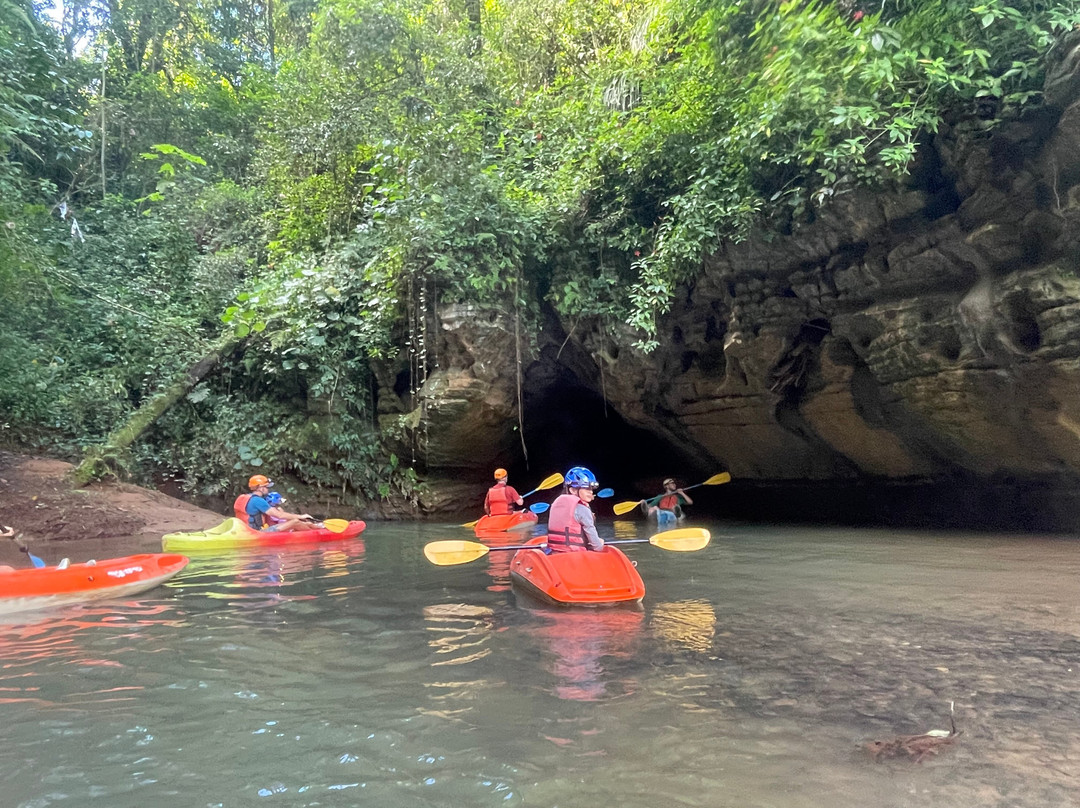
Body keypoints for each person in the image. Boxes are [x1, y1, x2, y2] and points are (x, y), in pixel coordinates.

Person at [546, 466, 605, 553]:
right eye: (586, 488)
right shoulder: (583, 509)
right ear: (573, 490)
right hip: (575, 554)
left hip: (555, 552)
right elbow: (597, 547)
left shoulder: (555, 504)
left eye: (591, 489)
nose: (591, 492)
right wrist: (600, 543)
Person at [244, 475, 318, 532]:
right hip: (259, 532)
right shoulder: (258, 501)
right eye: (266, 487)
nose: (268, 489)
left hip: (250, 531)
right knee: (295, 522)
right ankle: (314, 536)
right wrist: (301, 516)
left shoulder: (248, 497)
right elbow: (279, 515)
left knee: (305, 523)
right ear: (261, 488)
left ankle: (315, 530)